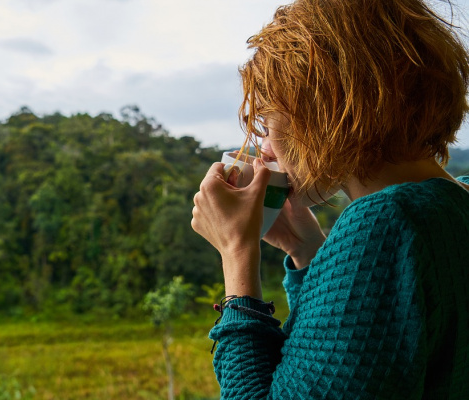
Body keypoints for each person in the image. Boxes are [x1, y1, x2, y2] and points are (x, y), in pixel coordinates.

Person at [190, 0, 469, 398]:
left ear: (324, 109)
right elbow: (357, 361)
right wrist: (307, 251)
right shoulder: (453, 202)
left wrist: (237, 253)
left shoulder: (386, 222)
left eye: (267, 124)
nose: (263, 148)